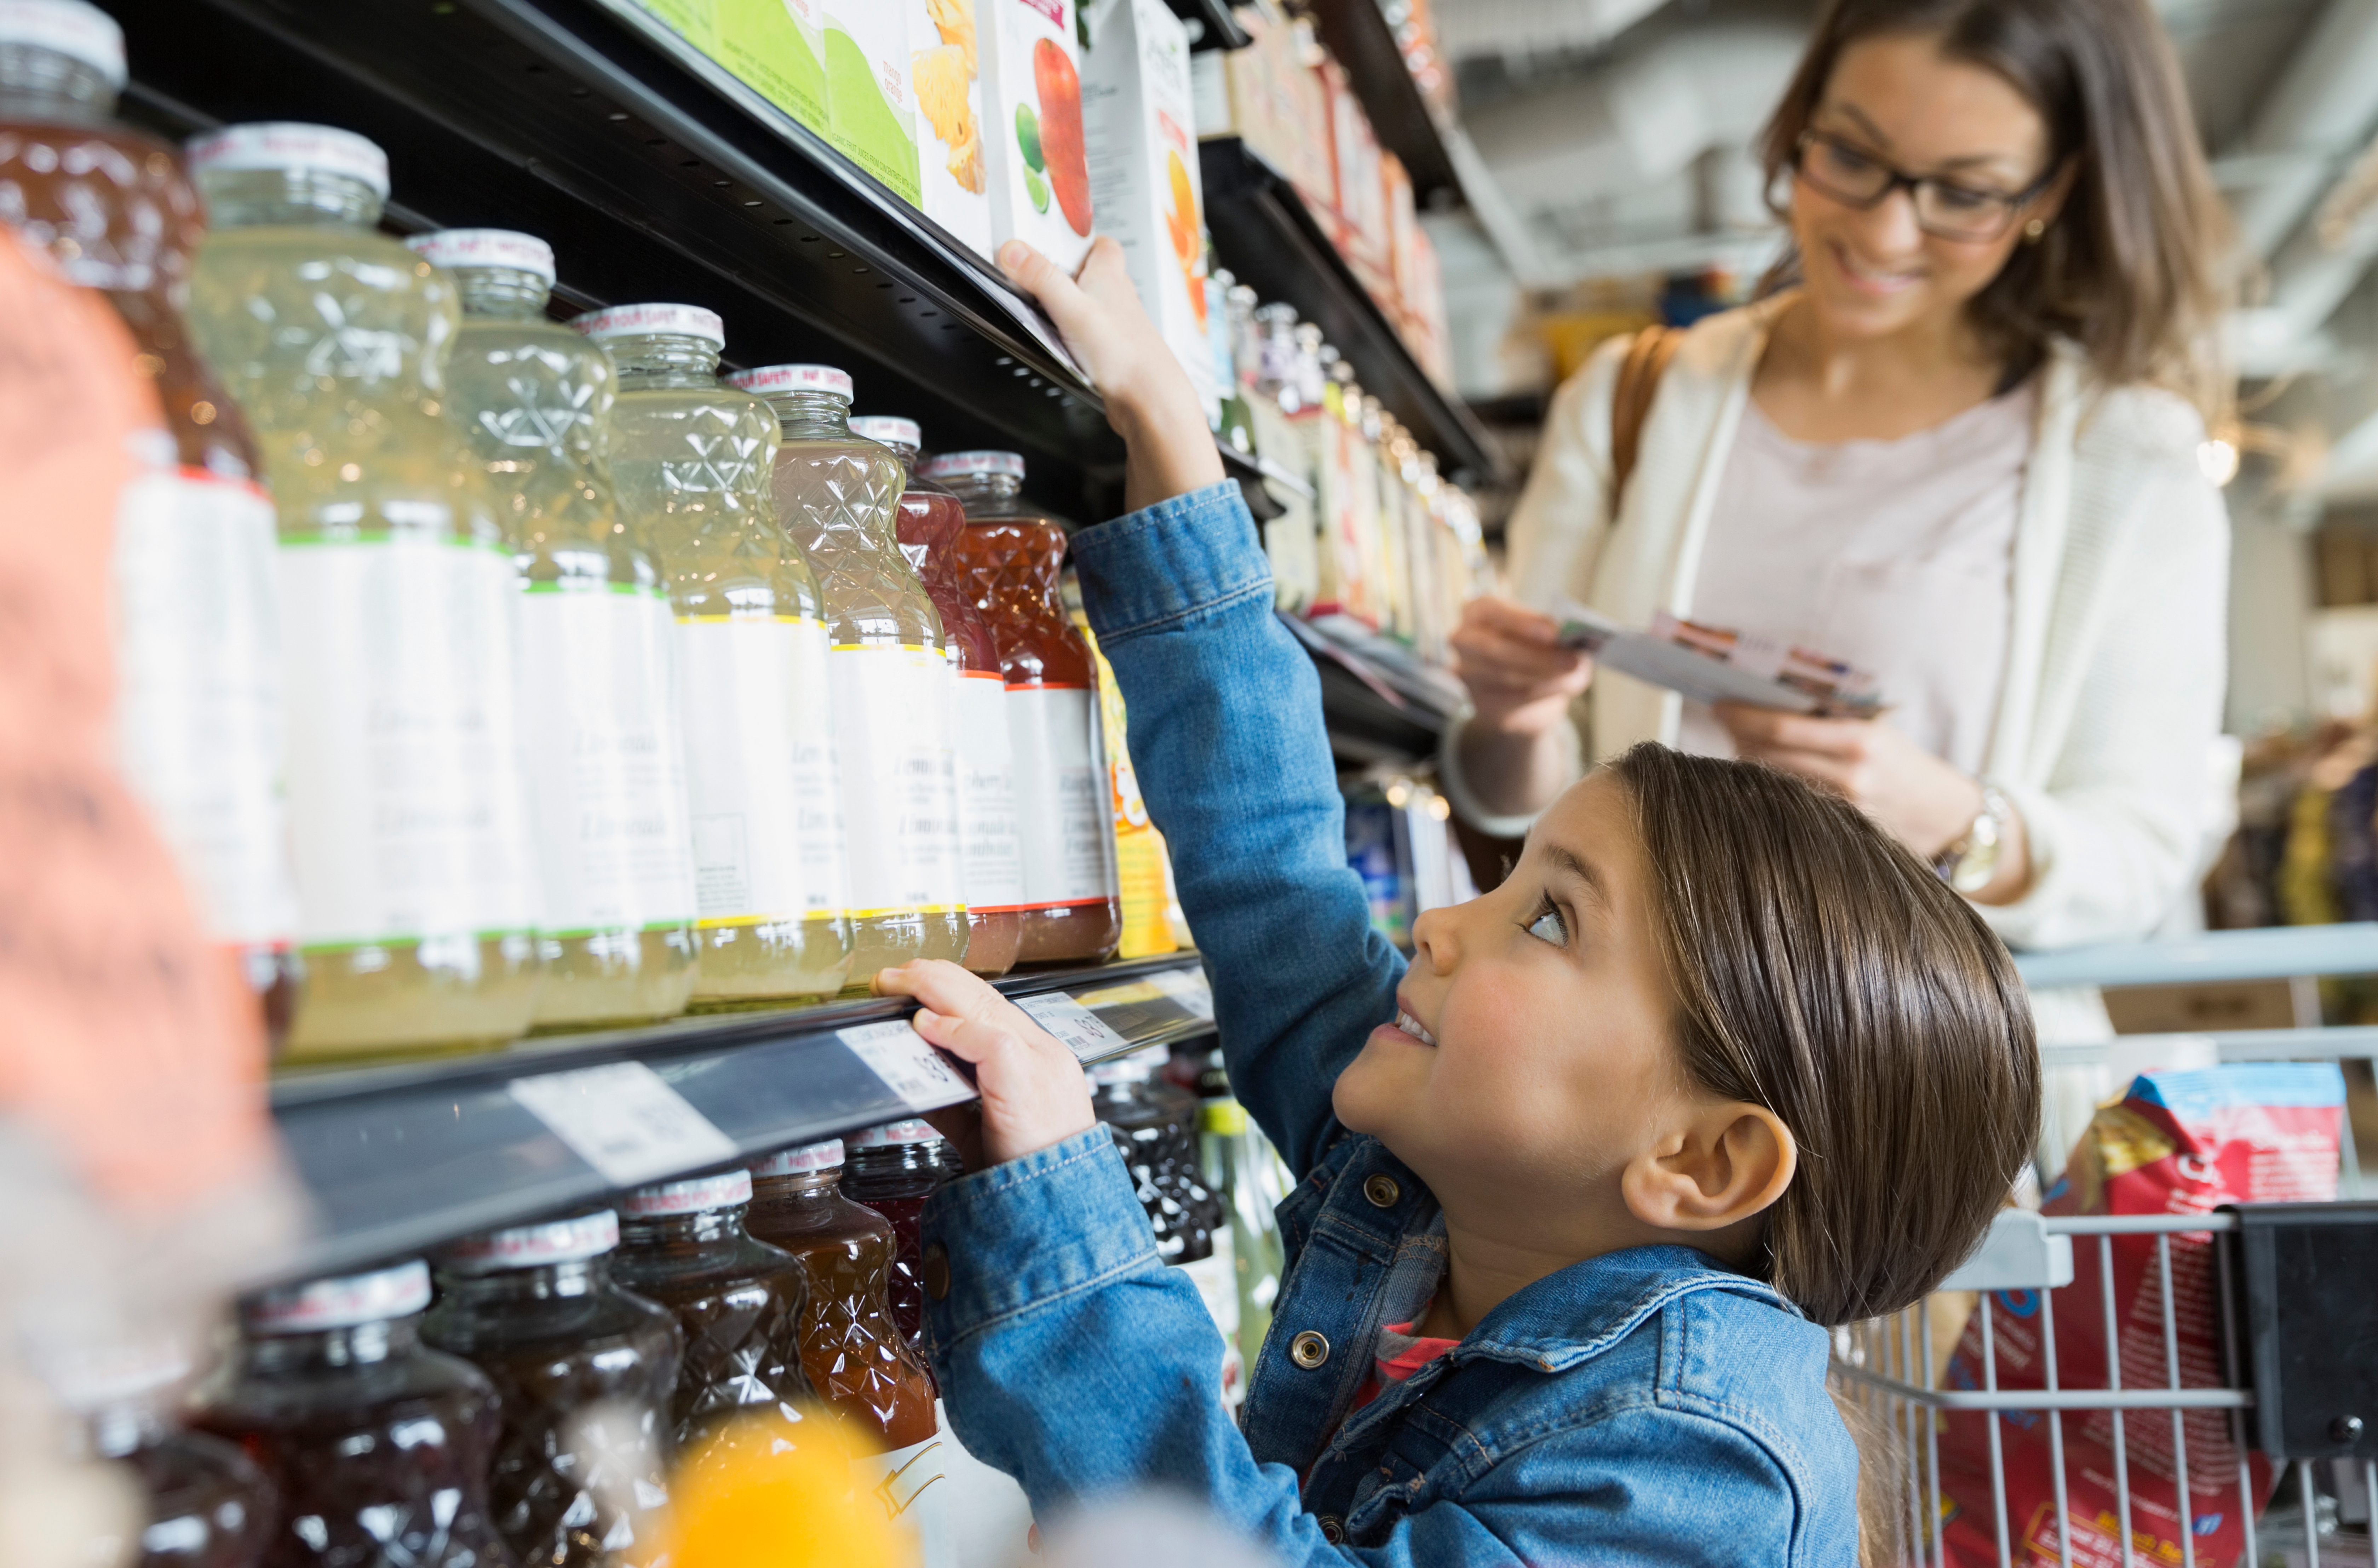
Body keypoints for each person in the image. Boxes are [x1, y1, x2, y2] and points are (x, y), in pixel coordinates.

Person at [864, 231, 2040, 1565]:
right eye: (1509, 877)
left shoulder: (1694, 1456)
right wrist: (1170, 439)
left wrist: (1071, 1234)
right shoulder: (1454, 1191)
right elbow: (1276, 879)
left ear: (1701, 1164)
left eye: (1548, 918)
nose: (1436, 921)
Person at [1445, 0, 2233, 982]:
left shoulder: (2128, 458)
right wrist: (1514, 722)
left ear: (2056, 187)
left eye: (1964, 193)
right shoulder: (1635, 399)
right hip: (1629, 1073)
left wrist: (1955, 820)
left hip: (1922, 1095)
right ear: (1800, 117)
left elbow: (2147, 856)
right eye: (1851, 157)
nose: (1884, 229)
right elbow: (1519, 805)